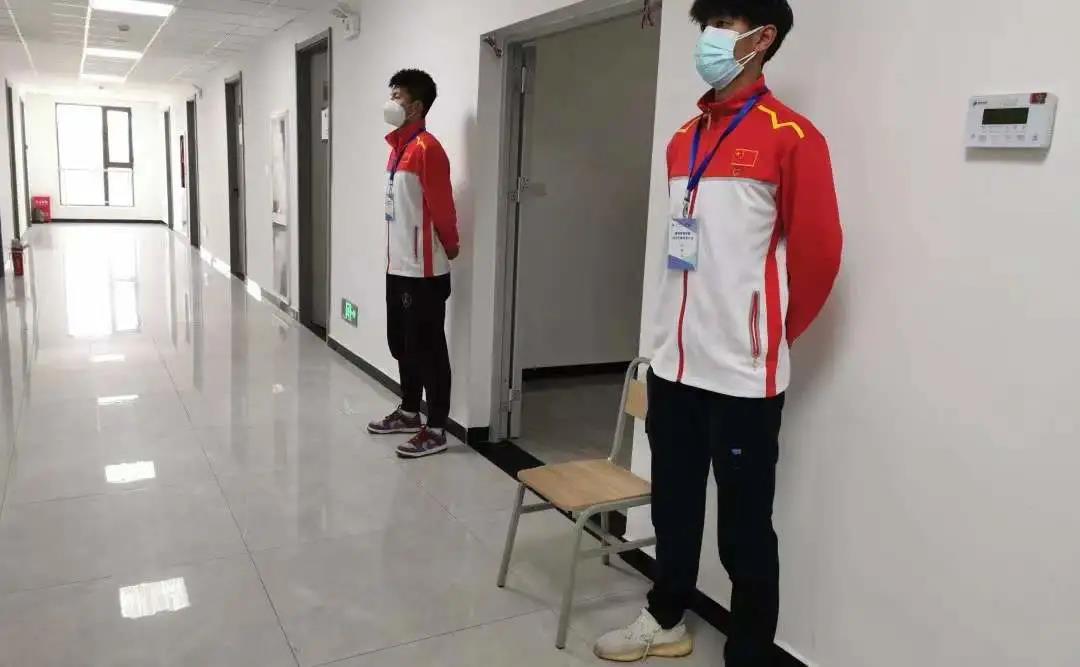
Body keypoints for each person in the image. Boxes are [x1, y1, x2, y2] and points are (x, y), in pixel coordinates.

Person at [594, 0, 842, 664]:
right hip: (674, 366)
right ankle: (664, 616)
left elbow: (819, 257)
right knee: (673, 508)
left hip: (742, 376)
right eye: (706, 24)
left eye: (725, 25)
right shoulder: (685, 137)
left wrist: (764, 338)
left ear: (763, 38)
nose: (709, 36)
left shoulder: (792, 136)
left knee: (744, 529)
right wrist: (661, 346)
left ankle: (750, 651)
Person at [367, 69, 460, 459]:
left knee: (429, 348)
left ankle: (436, 428)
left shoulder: (427, 149)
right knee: (402, 343)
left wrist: (451, 245)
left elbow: (442, 206)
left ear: (417, 106)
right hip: (398, 266)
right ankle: (409, 411)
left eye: (398, 96)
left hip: (424, 272)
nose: (391, 101)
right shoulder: (397, 149)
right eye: (391, 94)